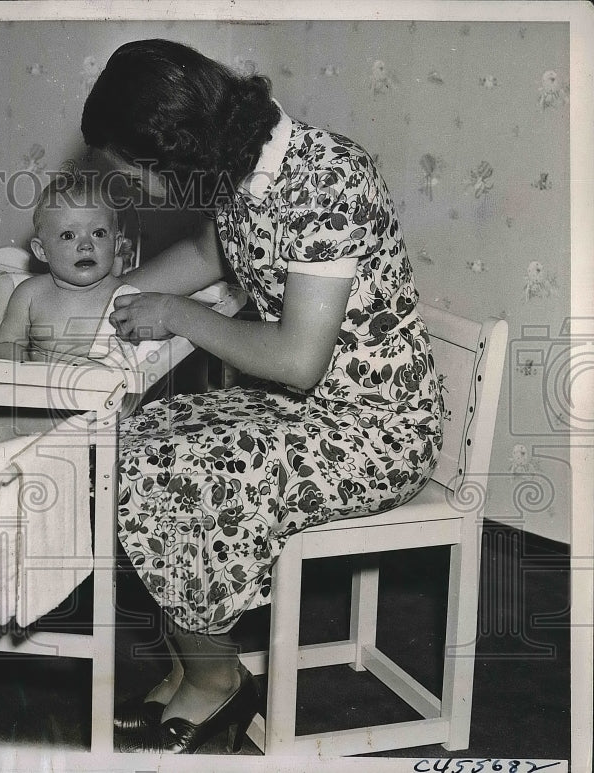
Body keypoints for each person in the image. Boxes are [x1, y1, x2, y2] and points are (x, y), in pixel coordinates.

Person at [81, 39, 443, 754]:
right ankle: (196, 665)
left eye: (132, 175)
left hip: (375, 431)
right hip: (311, 412)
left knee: (178, 471)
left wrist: (177, 315)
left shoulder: (330, 177)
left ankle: (218, 678)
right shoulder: (243, 168)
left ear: (168, 154)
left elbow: (298, 360)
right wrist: (108, 296)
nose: (137, 193)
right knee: (131, 442)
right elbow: (212, 255)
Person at [0, 175, 125, 362]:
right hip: (36, 386)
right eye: (68, 235)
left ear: (116, 244)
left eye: (98, 233)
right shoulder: (30, 294)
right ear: (42, 251)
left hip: (103, 389)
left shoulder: (123, 298)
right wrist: (27, 373)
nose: (86, 245)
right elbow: (7, 343)